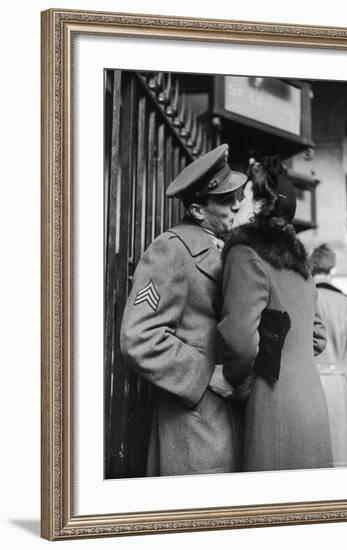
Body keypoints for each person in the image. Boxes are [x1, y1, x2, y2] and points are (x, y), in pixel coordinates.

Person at [120, 144, 247, 477]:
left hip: (228, 414)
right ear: (197, 210)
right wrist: (206, 374)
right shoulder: (171, 250)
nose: (237, 204)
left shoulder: (228, 249)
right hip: (194, 422)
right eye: (223, 200)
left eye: (236, 195)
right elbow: (139, 336)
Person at [218, 156, 333, 472]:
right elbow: (318, 336)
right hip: (310, 401)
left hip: (273, 405)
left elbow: (240, 339)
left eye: (243, 197)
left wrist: (235, 379)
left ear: (259, 206)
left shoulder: (245, 253)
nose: (235, 203)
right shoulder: (300, 264)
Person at [310, 244, 347, 467]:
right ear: (332, 270)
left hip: (308, 387)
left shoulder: (303, 301)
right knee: (345, 457)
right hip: (343, 389)